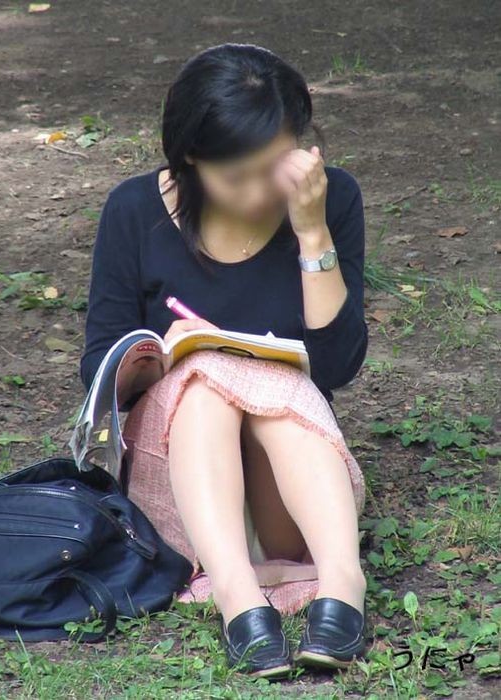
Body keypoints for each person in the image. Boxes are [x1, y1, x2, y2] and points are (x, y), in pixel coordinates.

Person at [81, 43, 368, 679]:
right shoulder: (134, 211)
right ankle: (241, 599)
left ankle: (343, 584)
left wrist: (312, 232)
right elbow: (99, 368)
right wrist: (164, 359)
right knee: (206, 381)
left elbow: (337, 365)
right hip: (183, 490)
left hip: (295, 494)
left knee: (263, 377)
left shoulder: (329, 199)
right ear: (190, 158)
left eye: (275, 168)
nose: (260, 192)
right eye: (236, 176)